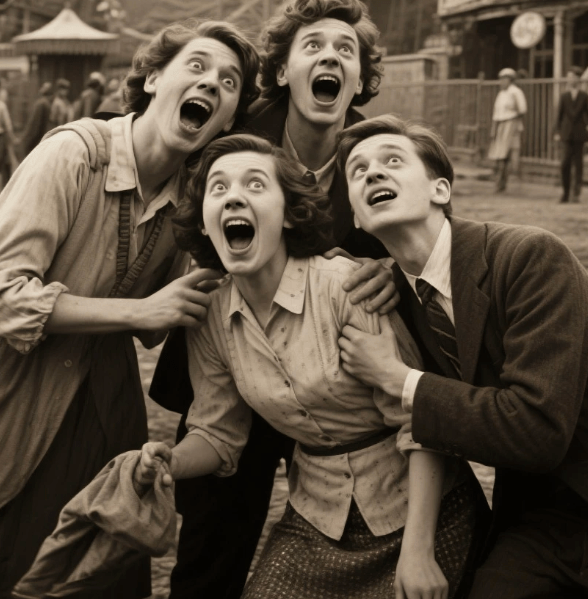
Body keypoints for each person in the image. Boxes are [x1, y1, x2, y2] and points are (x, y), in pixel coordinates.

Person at [136, 133, 483, 599]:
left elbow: (420, 422)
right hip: (317, 519)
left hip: (425, 515)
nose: (234, 196)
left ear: (287, 213)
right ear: (203, 221)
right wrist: (170, 461)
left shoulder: (345, 287)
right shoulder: (211, 316)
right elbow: (219, 433)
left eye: (255, 185)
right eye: (219, 188)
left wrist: (418, 553)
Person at [0, 20, 260, 599]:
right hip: (13, 388)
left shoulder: (195, 199)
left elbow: (181, 310)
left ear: (229, 119)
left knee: (100, 566)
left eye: (229, 82)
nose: (211, 83)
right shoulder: (74, 154)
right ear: (153, 79)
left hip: (105, 403)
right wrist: (140, 312)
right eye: (197, 66)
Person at [150, 2, 397, 597]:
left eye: (346, 50)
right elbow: (155, 119)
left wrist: (396, 268)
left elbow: (428, 236)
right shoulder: (236, 130)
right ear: (283, 71)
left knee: (334, 532)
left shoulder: (378, 151)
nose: (330, 57)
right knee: (212, 538)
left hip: (336, 374)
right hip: (235, 352)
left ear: (361, 80)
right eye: (313, 46)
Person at [336, 113, 588, 597]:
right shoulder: (393, 299)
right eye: (358, 170)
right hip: (540, 516)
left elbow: (538, 430)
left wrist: (398, 379)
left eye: (393, 160)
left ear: (441, 190)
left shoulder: (531, 256)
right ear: (356, 218)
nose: (373, 172)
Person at [488, 67, 527, 193]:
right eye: (501, 79)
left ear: (510, 80)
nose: (501, 82)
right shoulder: (501, 94)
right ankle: (499, 183)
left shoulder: (516, 92)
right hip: (501, 125)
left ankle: (504, 181)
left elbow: (522, 110)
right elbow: (496, 113)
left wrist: (512, 122)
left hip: (511, 124)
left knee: (506, 154)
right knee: (499, 154)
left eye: (504, 79)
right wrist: (494, 128)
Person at [554, 65, 588, 203]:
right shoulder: (564, 96)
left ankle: (576, 194)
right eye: (568, 77)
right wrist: (557, 132)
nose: (570, 80)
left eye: (572, 77)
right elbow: (559, 115)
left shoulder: (584, 96)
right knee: (565, 163)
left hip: (579, 133)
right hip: (566, 133)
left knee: (578, 164)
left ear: (578, 79)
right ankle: (565, 193)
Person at [21, 81, 54, 155]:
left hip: (37, 139)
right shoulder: (47, 103)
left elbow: (34, 124)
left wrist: (28, 139)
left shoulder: (41, 103)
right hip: (43, 138)